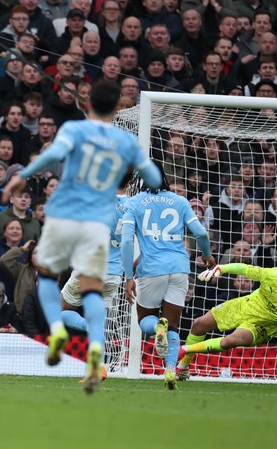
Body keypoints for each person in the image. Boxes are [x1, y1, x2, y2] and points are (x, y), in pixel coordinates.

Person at [2, 80, 161, 394]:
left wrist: (21, 176)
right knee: (92, 299)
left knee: (46, 278)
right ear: (118, 108)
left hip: (66, 213)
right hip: (99, 237)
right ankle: (96, 352)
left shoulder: (74, 130)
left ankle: (58, 329)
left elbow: (52, 157)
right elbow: (154, 178)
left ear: (88, 104)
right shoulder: (124, 146)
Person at [120, 164, 215, 390]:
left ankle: (157, 328)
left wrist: (128, 276)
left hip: (152, 269)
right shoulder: (180, 201)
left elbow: (125, 242)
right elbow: (201, 232)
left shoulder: (134, 203)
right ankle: (170, 370)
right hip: (180, 268)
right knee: (173, 324)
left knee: (146, 321)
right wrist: (207, 255)